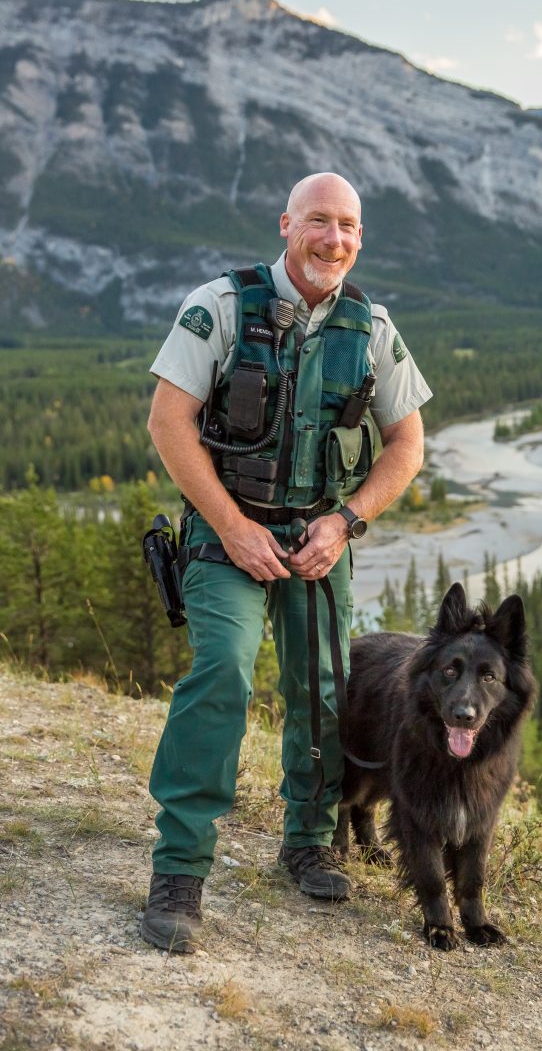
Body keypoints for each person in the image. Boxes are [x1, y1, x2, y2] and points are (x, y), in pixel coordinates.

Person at [140, 172, 432, 952]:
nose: (334, 239)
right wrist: (233, 527)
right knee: (225, 672)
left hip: (315, 542)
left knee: (322, 685)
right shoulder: (222, 306)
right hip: (227, 536)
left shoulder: (372, 327)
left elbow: (408, 444)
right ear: (286, 224)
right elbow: (169, 421)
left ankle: (308, 841)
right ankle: (180, 868)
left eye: (348, 226)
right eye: (319, 222)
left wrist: (345, 521)